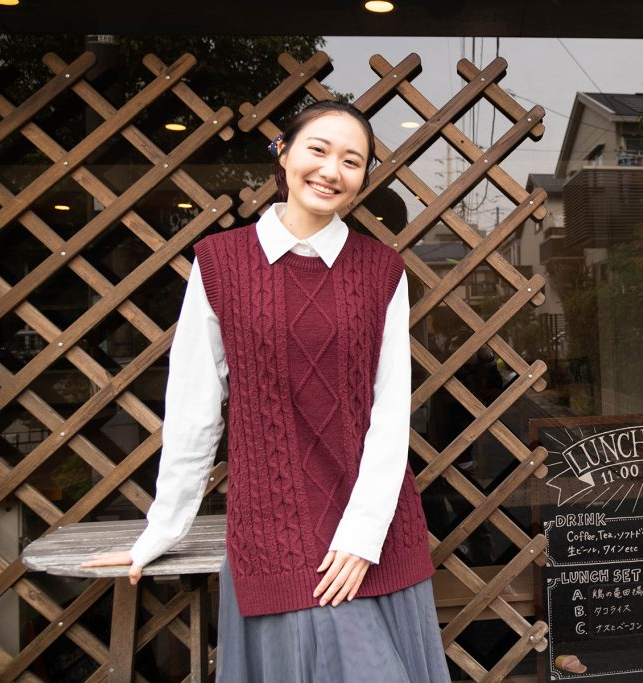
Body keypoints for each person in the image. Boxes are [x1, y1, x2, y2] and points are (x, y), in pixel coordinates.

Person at [82, 101, 450, 682]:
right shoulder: (220, 263)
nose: (332, 170)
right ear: (283, 152)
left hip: (375, 530)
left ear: (364, 179)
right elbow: (194, 409)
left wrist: (360, 537)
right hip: (277, 527)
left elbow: (390, 410)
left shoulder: (382, 270)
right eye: (319, 150)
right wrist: (164, 528)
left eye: (352, 161)